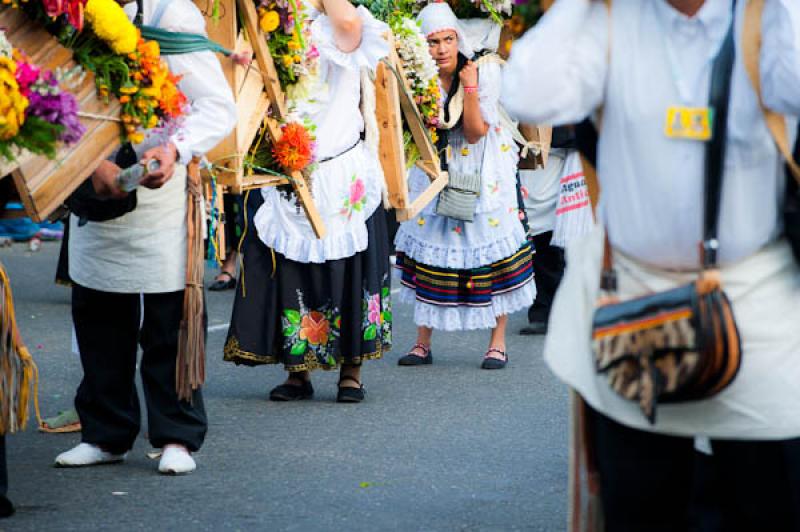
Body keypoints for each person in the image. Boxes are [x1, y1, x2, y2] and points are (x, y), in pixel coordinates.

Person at [502, 0, 800, 529]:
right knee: (640, 508)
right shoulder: (612, 21)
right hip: (634, 306)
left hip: (757, 312)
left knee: (770, 505)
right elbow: (527, 93)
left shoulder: (765, 19)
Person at [54, 0, 236, 474]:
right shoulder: (64, 12)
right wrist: (91, 166)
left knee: (166, 322)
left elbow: (218, 106)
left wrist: (175, 148)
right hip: (92, 179)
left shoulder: (170, 16)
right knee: (97, 315)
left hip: (160, 188)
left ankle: (176, 434)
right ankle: (105, 433)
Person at [223, 0, 391, 403]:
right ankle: (297, 371)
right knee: (292, 270)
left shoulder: (344, 22)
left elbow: (349, 22)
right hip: (287, 164)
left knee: (349, 269)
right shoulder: (277, 22)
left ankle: (352, 371)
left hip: (341, 169)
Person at [393, 3, 534, 369]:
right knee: (431, 247)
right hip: (435, 165)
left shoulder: (482, 70)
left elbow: (474, 133)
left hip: (481, 165)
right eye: (433, 42)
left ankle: (497, 342)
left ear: (458, 39)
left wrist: (469, 88)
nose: (441, 49)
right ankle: (422, 342)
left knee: (489, 249)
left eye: (448, 39)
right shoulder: (414, 76)